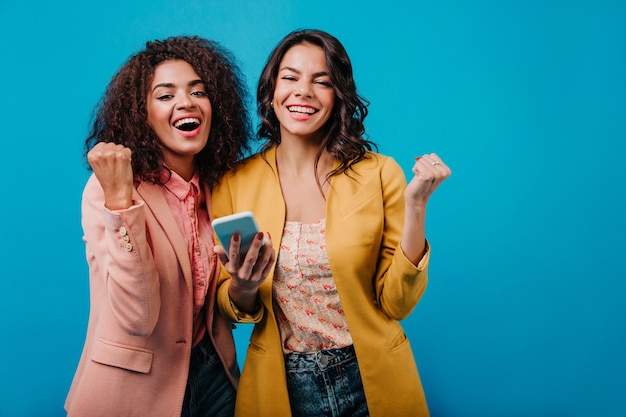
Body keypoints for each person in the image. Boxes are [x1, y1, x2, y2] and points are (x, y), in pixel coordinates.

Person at [211, 29, 451, 417]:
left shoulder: (378, 174)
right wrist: (242, 285)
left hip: (373, 380)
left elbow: (397, 302)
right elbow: (230, 306)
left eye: (321, 82)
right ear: (272, 90)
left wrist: (417, 205)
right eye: (290, 77)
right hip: (282, 388)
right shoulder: (234, 184)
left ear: (338, 95)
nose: (303, 91)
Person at [65, 35, 274, 417]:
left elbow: (225, 307)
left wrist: (244, 286)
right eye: (165, 95)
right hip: (133, 390)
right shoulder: (109, 190)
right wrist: (120, 203)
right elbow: (138, 318)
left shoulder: (218, 189)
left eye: (199, 91)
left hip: (214, 378)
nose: (186, 103)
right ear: (140, 113)